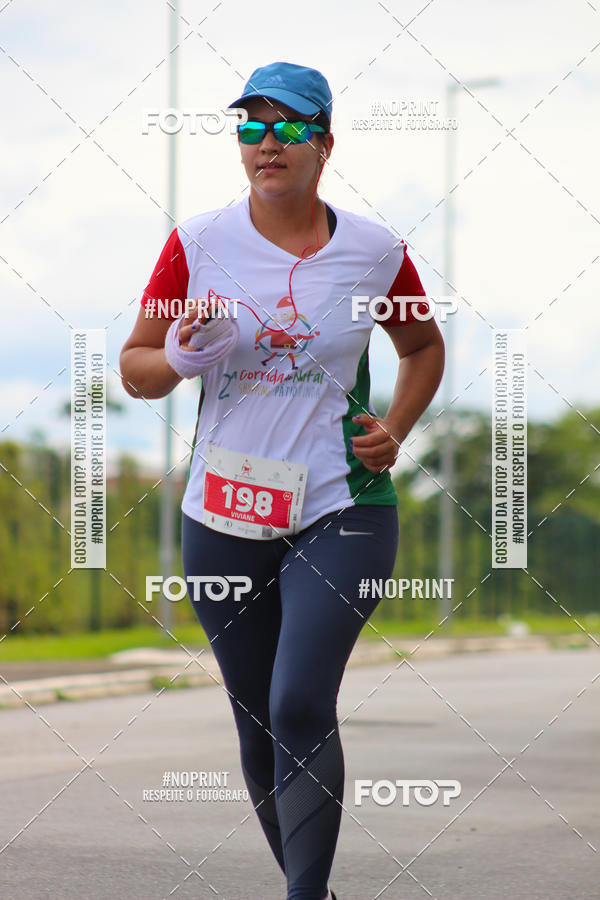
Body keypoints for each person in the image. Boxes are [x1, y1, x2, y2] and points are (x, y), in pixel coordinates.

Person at [120, 61, 444, 900]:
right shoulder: (197, 243)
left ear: (324, 144)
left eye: (290, 127)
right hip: (222, 513)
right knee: (258, 719)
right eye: (253, 128)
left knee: (299, 701)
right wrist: (182, 355)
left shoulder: (374, 251)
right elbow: (137, 370)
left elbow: (421, 347)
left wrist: (397, 426)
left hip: (342, 507)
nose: (269, 143)